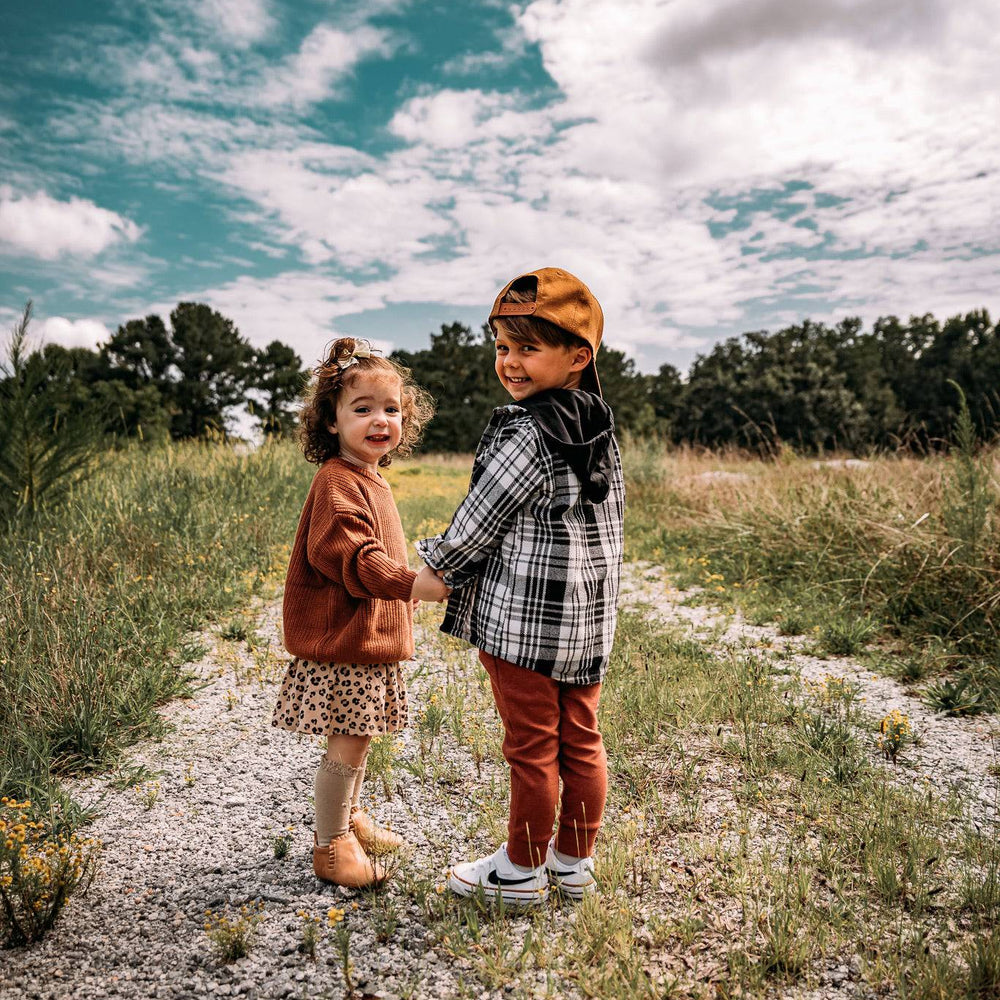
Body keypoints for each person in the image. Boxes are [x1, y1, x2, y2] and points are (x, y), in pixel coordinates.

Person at [417, 267, 625, 905]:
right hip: (586, 627)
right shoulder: (599, 429)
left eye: (528, 348)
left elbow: (483, 516)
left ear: (577, 356)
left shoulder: (526, 430)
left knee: (532, 747)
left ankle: (519, 870)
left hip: (524, 628)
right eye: (502, 346)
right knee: (581, 740)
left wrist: (436, 570)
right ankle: (573, 861)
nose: (509, 362)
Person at [272, 338, 448, 889]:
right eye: (362, 408)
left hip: (364, 640)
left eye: (391, 409)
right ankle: (331, 846)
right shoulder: (336, 480)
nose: (380, 420)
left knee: (360, 736)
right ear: (331, 420)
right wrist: (411, 583)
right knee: (348, 741)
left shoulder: (367, 474)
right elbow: (354, 553)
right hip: (346, 641)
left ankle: (347, 817)